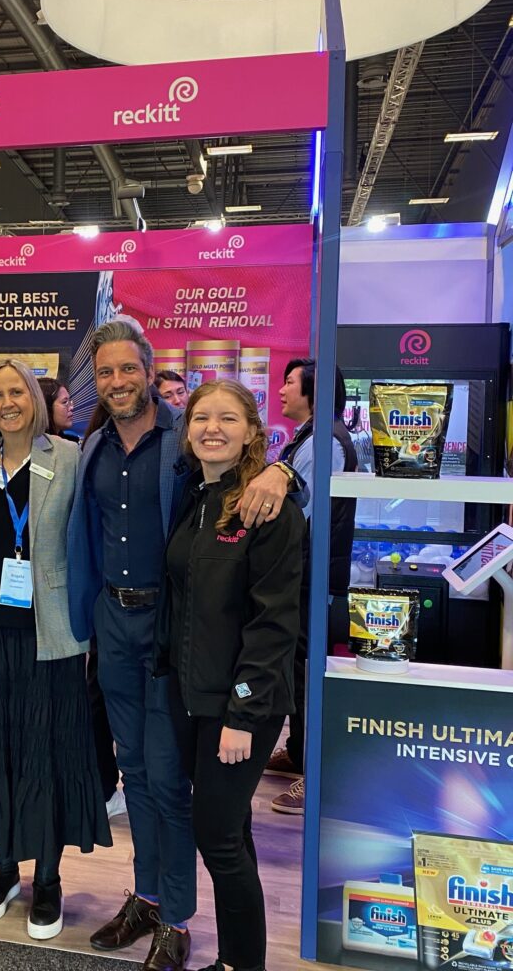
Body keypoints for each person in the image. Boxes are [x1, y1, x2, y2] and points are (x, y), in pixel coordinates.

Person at [66, 320, 304, 971]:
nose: (118, 381)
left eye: (129, 368)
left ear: (150, 371)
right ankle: (146, 896)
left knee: (170, 781)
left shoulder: (185, 437)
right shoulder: (92, 446)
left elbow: (253, 477)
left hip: (174, 633)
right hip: (113, 628)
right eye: (106, 371)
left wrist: (285, 472)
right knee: (136, 774)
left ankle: (176, 917)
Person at [0, 359, 111, 940]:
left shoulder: (70, 458)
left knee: (48, 753)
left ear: (35, 398)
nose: (7, 403)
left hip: (51, 636)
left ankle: (47, 876)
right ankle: (4, 867)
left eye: (16, 391)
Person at [155, 379, 305, 971]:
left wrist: (242, 715)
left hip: (242, 706)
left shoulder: (268, 508)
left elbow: (273, 625)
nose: (212, 428)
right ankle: (238, 960)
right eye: (201, 418)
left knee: (217, 837)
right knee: (231, 833)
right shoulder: (195, 496)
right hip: (192, 695)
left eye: (227, 418)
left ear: (251, 433)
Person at [265, 358, 357, 815]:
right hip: (305, 572)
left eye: (289, 382)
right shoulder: (312, 436)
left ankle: (315, 774)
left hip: (311, 575)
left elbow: (303, 514)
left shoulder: (325, 442)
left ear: (314, 392)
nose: (281, 390)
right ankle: (300, 751)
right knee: (298, 667)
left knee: (307, 673)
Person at [38, 376, 79, 441]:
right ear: (45, 407)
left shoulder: (71, 442)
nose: (71, 407)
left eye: (69, 401)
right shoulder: (30, 445)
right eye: (65, 402)